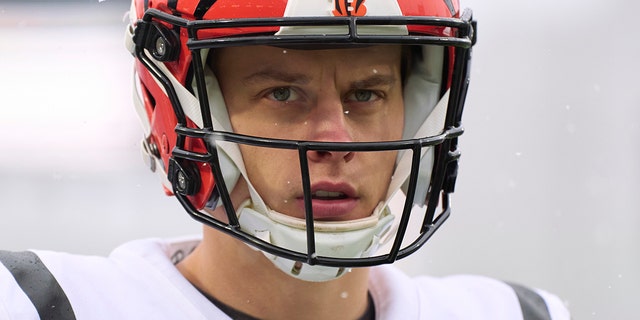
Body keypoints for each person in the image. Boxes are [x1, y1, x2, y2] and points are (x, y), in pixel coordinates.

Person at [0, 0, 570, 319]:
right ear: (184, 111)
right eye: (282, 93)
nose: (336, 140)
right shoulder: (43, 306)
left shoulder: (515, 315)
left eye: (366, 94)